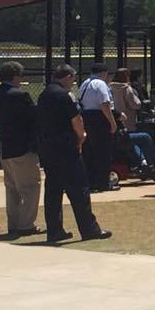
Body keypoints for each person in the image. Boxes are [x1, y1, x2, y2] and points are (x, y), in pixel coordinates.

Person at [36, 63, 109, 244]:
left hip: (48, 148)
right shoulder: (65, 95)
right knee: (79, 189)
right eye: (73, 78)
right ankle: (89, 229)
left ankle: (54, 231)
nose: (73, 82)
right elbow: (76, 119)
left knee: (53, 191)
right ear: (67, 76)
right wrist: (81, 137)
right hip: (66, 148)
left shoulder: (44, 94)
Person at [0, 61, 41, 238]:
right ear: (15, 76)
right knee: (30, 188)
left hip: (6, 146)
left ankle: (13, 224)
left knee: (11, 188)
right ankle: (26, 224)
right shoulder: (20, 95)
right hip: (23, 147)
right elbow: (33, 119)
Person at [77, 63, 116, 194]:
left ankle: (91, 182)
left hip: (87, 117)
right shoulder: (100, 84)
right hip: (99, 118)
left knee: (89, 152)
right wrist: (112, 122)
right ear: (103, 73)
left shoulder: (85, 84)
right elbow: (105, 104)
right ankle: (103, 183)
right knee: (103, 152)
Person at [111, 68, 155, 182]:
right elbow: (135, 104)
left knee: (131, 142)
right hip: (127, 121)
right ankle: (149, 164)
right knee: (141, 138)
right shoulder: (127, 88)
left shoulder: (110, 87)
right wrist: (141, 102)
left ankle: (140, 163)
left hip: (115, 123)